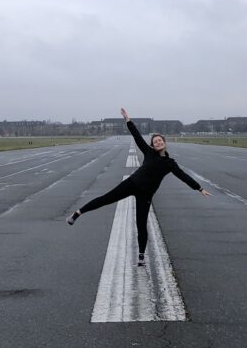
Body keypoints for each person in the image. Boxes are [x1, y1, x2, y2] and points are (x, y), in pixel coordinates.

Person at [66, 108, 212, 266]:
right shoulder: (149, 152)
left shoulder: (170, 164)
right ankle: (77, 213)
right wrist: (128, 120)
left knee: (141, 224)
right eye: (155, 142)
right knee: (106, 199)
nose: (158, 143)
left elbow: (184, 176)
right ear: (153, 145)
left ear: (164, 143)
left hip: (146, 195)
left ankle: (141, 255)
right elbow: (137, 136)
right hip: (132, 184)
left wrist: (199, 188)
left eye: (160, 141)